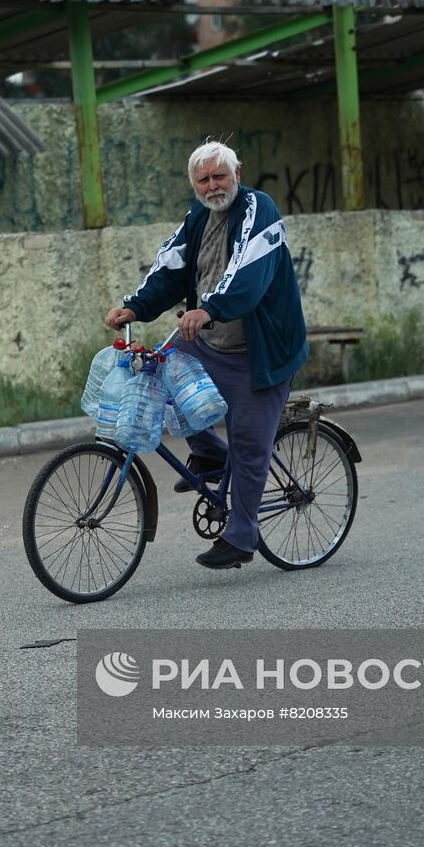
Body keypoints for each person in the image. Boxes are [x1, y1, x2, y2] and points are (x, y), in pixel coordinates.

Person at [105, 140, 307, 570]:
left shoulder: (259, 208)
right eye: (204, 179)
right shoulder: (198, 216)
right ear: (194, 184)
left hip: (260, 350)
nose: (213, 185)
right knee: (157, 374)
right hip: (209, 341)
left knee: (251, 444)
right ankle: (210, 453)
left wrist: (209, 308)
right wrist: (136, 306)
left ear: (237, 172)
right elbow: (169, 268)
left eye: (219, 176)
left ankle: (240, 537)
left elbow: (247, 273)